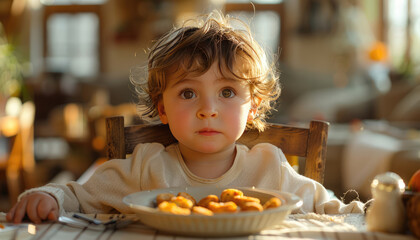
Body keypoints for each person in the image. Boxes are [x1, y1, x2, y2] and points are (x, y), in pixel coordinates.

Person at [7, 10, 365, 224]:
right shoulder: (146, 167)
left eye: (227, 92)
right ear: (162, 108)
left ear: (253, 106)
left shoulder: (269, 167)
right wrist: (48, 197)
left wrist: (384, 208)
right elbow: (78, 195)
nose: (207, 109)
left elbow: (334, 210)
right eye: (188, 93)